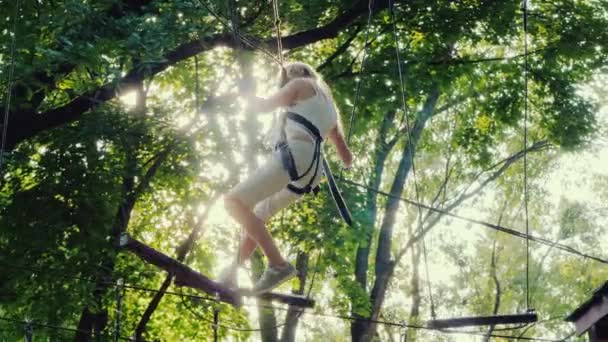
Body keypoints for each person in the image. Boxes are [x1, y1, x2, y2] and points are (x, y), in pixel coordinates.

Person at [221, 61, 353, 294]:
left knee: (233, 202)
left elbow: (261, 107)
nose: (288, 76)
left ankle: (278, 264)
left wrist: (244, 91)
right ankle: (231, 272)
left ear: (304, 72)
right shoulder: (329, 106)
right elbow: (346, 156)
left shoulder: (302, 84)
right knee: (258, 215)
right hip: (311, 170)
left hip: (293, 156)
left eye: (291, 71)